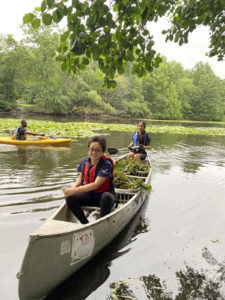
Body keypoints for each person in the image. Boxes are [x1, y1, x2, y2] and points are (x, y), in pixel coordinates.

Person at [64, 135, 116, 224]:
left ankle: (101, 223)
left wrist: (75, 190)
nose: (94, 152)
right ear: (88, 149)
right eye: (91, 149)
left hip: (105, 198)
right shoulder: (85, 161)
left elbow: (96, 185)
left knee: (106, 197)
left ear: (102, 151)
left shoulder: (106, 164)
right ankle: (85, 223)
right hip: (91, 196)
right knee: (69, 198)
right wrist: (72, 189)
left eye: (97, 150)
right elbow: (81, 177)